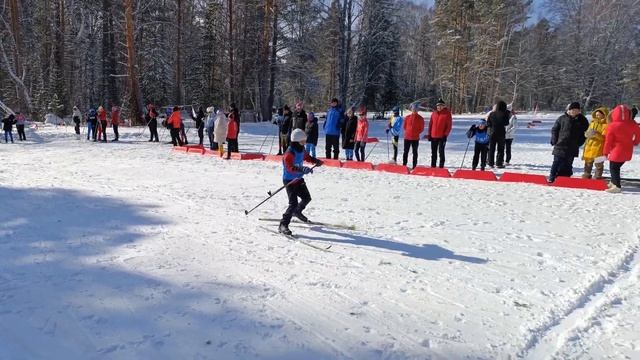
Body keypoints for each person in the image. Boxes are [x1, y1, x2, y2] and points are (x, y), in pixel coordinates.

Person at [278, 128, 323, 235]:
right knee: (293, 203)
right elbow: (289, 168)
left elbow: (307, 157)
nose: (304, 143)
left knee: (307, 198)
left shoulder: (301, 149)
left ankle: (297, 212)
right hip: (290, 180)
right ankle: (283, 224)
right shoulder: (290, 153)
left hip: (298, 178)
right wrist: (302, 169)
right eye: (303, 141)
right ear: (296, 141)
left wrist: (315, 161)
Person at [548, 102, 589, 183]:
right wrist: (554, 139)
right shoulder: (562, 118)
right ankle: (552, 177)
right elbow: (555, 129)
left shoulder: (583, 120)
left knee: (568, 163)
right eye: (573, 110)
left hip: (573, 146)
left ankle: (565, 178)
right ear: (569, 110)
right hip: (560, 144)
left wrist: (580, 142)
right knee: (557, 162)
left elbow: (585, 133)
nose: (574, 112)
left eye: (577, 110)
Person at [603, 104, 640, 193]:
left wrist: (605, 152)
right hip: (628, 149)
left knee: (614, 167)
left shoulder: (612, 126)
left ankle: (617, 186)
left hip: (617, 150)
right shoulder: (632, 123)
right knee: (616, 166)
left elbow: (608, 141)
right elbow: (638, 134)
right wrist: (635, 142)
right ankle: (613, 182)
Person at [581, 106, 610, 179]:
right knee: (588, 162)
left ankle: (598, 176)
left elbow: (604, 137)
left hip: (600, 147)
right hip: (589, 146)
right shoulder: (592, 122)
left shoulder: (606, 125)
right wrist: (586, 134)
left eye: (599, 115)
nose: (597, 116)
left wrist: (596, 134)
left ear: (604, 115)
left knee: (599, 164)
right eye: (596, 115)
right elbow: (588, 132)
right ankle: (586, 174)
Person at [427, 98, 452, 168]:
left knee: (441, 152)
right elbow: (430, 124)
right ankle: (433, 166)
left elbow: (449, 126)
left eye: (441, 105)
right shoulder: (434, 113)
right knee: (433, 153)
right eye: (438, 106)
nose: (439, 107)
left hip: (442, 137)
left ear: (443, 106)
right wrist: (429, 134)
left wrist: (445, 135)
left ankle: (441, 166)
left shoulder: (447, 114)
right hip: (433, 136)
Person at [487, 100, 510, 168]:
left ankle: (490, 162)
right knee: (501, 149)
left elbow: (488, 123)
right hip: (501, 133)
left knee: (491, 148)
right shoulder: (505, 113)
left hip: (492, 133)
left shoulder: (492, 114)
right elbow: (506, 123)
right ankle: (499, 163)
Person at [402, 102, 425, 169]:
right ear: (411, 110)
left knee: (415, 152)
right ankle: (404, 165)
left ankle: (414, 166)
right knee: (405, 151)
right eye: (413, 109)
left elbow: (422, 128)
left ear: (417, 110)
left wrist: (416, 132)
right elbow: (404, 126)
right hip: (407, 137)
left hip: (415, 138)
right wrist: (408, 132)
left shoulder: (420, 118)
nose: (414, 110)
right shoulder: (407, 117)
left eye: (415, 109)